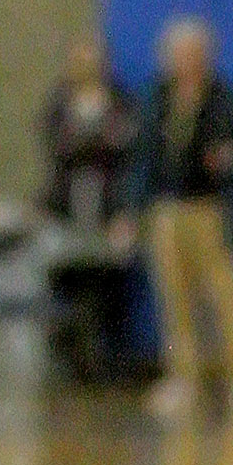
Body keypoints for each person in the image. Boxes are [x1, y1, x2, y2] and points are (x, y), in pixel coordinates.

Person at [133, 16, 233, 422]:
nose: (185, 61)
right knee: (174, 301)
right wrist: (134, 207)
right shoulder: (155, 99)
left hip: (209, 209)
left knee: (227, 297)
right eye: (178, 54)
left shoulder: (226, 99)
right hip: (166, 210)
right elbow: (141, 159)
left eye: (193, 53)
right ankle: (184, 380)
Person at [38, 39, 139, 382]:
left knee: (108, 282)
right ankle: (69, 357)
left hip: (107, 204)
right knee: (67, 279)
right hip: (68, 203)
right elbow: (57, 147)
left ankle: (102, 359)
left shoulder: (120, 101)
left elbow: (125, 148)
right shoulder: (59, 103)